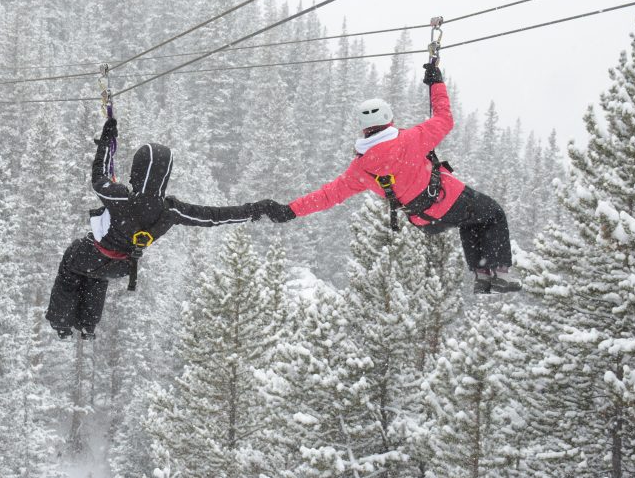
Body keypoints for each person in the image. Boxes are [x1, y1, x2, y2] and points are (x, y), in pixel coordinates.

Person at [263, 62, 521, 294]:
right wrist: (436, 83)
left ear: (364, 127)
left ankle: (482, 275)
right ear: (388, 119)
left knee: (472, 222)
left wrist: (291, 210)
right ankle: (497, 273)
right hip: (448, 199)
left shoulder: (361, 169)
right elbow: (444, 118)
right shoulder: (410, 140)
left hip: (424, 220)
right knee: (493, 213)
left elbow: (328, 196)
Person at [45, 116, 282, 339]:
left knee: (72, 267)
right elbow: (215, 217)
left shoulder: (120, 198)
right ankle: (87, 325)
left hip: (92, 255)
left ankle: (62, 324)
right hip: (122, 266)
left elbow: (99, 176)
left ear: (137, 171)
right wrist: (257, 209)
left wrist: (106, 143)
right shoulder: (170, 211)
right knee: (97, 278)